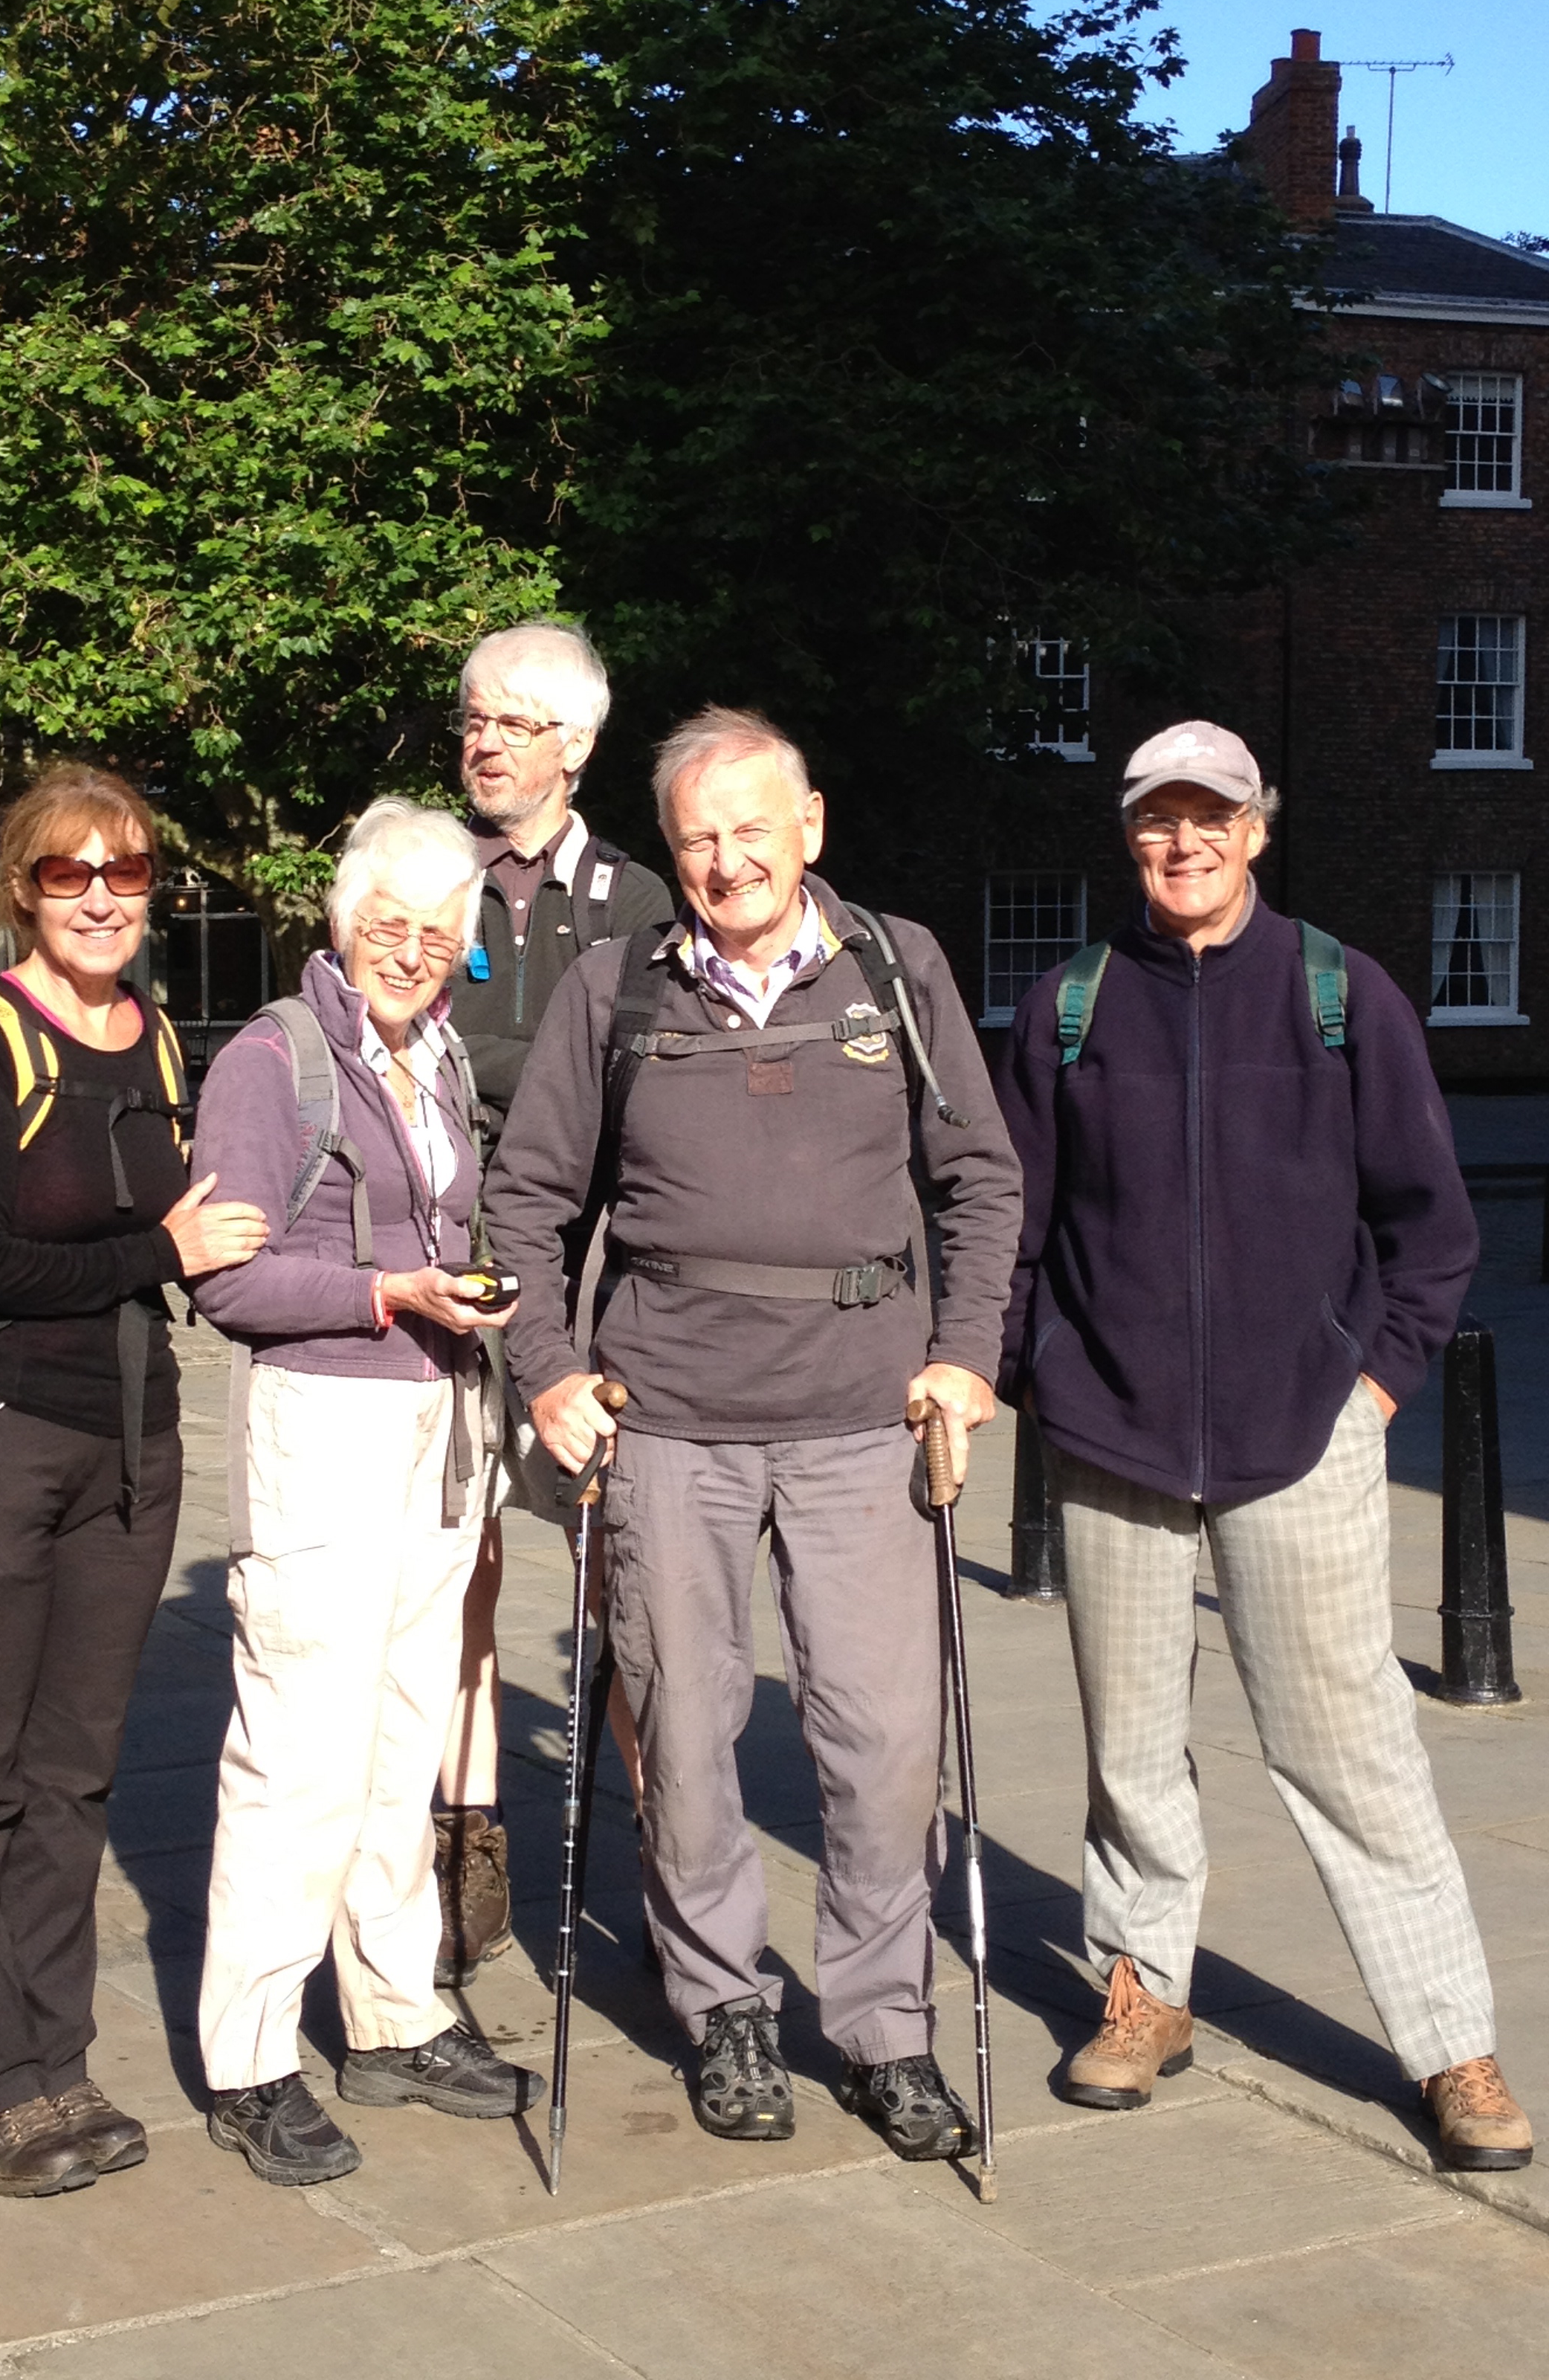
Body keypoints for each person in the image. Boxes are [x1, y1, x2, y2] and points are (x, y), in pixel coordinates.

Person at [995, 719, 1532, 2173]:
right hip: (1110, 1441)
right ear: (1129, 835)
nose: (1183, 842)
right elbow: (1011, 1231)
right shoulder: (1066, 1007)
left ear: (1255, 829)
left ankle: (1449, 2039)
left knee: (1349, 1750)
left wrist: (1373, 1387)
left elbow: (1430, 1225)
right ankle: (1143, 1989)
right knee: (1127, 1750)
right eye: (1157, 819)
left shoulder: (1339, 993)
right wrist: (1038, 1374)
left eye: (1210, 817)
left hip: (1305, 1436)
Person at [486, 706, 1023, 2158]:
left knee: (884, 1740)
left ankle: (885, 2028)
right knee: (683, 1729)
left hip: (864, 1416)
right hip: (671, 1422)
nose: (728, 860)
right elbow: (527, 1201)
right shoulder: (615, 988)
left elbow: (981, 1179)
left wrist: (965, 1355)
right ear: (671, 853)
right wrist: (548, 1371)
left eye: (751, 828)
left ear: (811, 826)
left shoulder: (897, 967)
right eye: (698, 838)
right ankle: (723, 2007)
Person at [0, 764, 268, 2198]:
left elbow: (187, 1223)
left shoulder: (150, 1035)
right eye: (67, 871)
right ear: (20, 889)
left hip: (127, 1447)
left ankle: (57, 2053)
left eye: (128, 869)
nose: (101, 895)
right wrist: (167, 1251)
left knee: (71, 1772)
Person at [187, 799, 547, 2187]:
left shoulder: (436, 1054)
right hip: (324, 1422)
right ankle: (250, 2057)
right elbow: (229, 1280)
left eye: (437, 933)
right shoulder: (271, 1059)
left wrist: (461, 1297)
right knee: (301, 1753)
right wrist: (386, 1291)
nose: (410, 950)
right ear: (343, 922)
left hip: (438, 1420)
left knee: (405, 1739)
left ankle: (395, 2017)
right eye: (389, 923)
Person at [435, 621, 671, 1988]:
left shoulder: (635, 901)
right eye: (474, 717)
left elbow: (644, 1090)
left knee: (621, 1575)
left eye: (516, 722)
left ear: (575, 744)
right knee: (454, 1566)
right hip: (438, 1276)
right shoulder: (426, 876)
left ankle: (664, 1848)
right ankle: (467, 1843)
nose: (486, 741)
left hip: (583, 1292)